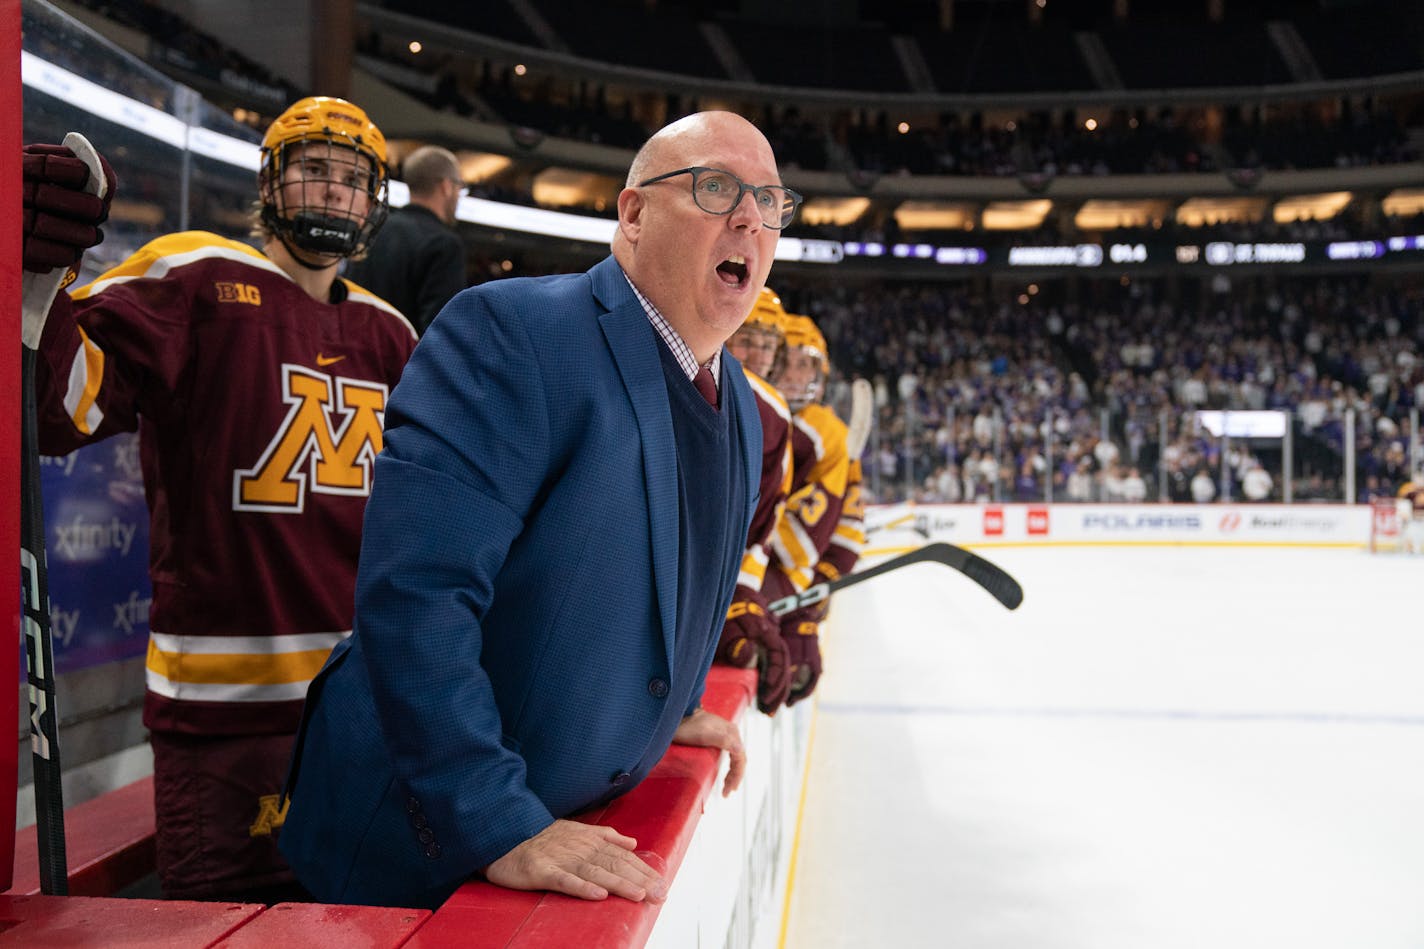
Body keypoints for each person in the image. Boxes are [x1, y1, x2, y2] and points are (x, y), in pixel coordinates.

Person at [279, 110, 800, 909]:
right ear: (632, 215)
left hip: (557, 822)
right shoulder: (515, 332)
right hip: (406, 852)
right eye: (716, 187)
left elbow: (657, 582)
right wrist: (494, 817)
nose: (748, 218)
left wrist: (663, 713)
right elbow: (417, 593)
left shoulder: (737, 411)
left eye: (768, 201)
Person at [20, 97, 416, 901]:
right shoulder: (194, 275)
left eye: (351, 179)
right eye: (313, 169)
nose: (332, 192)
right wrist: (37, 284)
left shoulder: (393, 334)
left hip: (358, 709)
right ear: (271, 183)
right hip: (225, 716)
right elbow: (62, 408)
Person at [763, 313, 865, 705]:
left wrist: (827, 575)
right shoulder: (762, 413)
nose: (792, 374)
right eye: (786, 361)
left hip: (782, 577)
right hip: (768, 579)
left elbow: (850, 525)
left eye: (804, 364)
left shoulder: (826, 430)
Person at [717, 286, 795, 713]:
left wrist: (743, 591)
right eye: (750, 338)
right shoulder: (773, 410)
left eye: (769, 344)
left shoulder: (775, 412)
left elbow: (760, 525)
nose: (760, 353)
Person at [345, 144, 466, 335]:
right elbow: (439, 333)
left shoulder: (373, 230)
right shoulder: (444, 244)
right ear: (446, 187)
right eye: (460, 186)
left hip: (353, 353)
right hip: (402, 361)